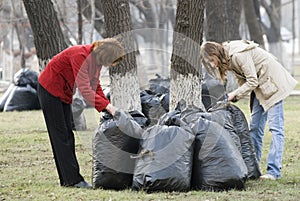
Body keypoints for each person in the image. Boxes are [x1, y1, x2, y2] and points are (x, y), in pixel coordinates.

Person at [200, 40, 297, 180]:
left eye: (211, 60)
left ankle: (274, 171)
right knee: (255, 128)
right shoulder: (228, 58)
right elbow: (244, 81)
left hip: (273, 83)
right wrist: (235, 96)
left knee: (276, 128)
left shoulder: (238, 55)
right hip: (259, 87)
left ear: (215, 53)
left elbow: (252, 81)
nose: (212, 64)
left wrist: (235, 94)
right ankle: (253, 168)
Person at [37, 38, 124, 188]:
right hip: (49, 90)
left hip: (63, 92)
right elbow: (85, 89)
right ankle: (73, 181)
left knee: (67, 136)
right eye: (111, 62)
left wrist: (107, 106)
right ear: (105, 55)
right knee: (60, 137)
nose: (109, 65)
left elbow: (95, 86)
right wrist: (108, 107)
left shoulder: (95, 61)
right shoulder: (81, 56)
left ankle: (68, 180)